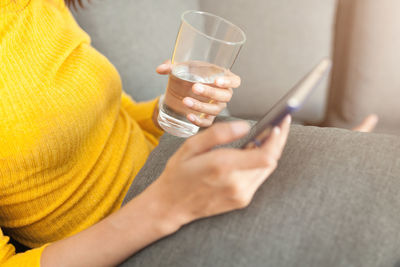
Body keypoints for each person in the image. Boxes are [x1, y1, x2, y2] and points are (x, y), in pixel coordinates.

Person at [0, 0, 376, 266]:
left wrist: (174, 106)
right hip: (134, 238)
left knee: (359, 179)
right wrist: (167, 206)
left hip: (175, 170)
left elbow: (113, 114)